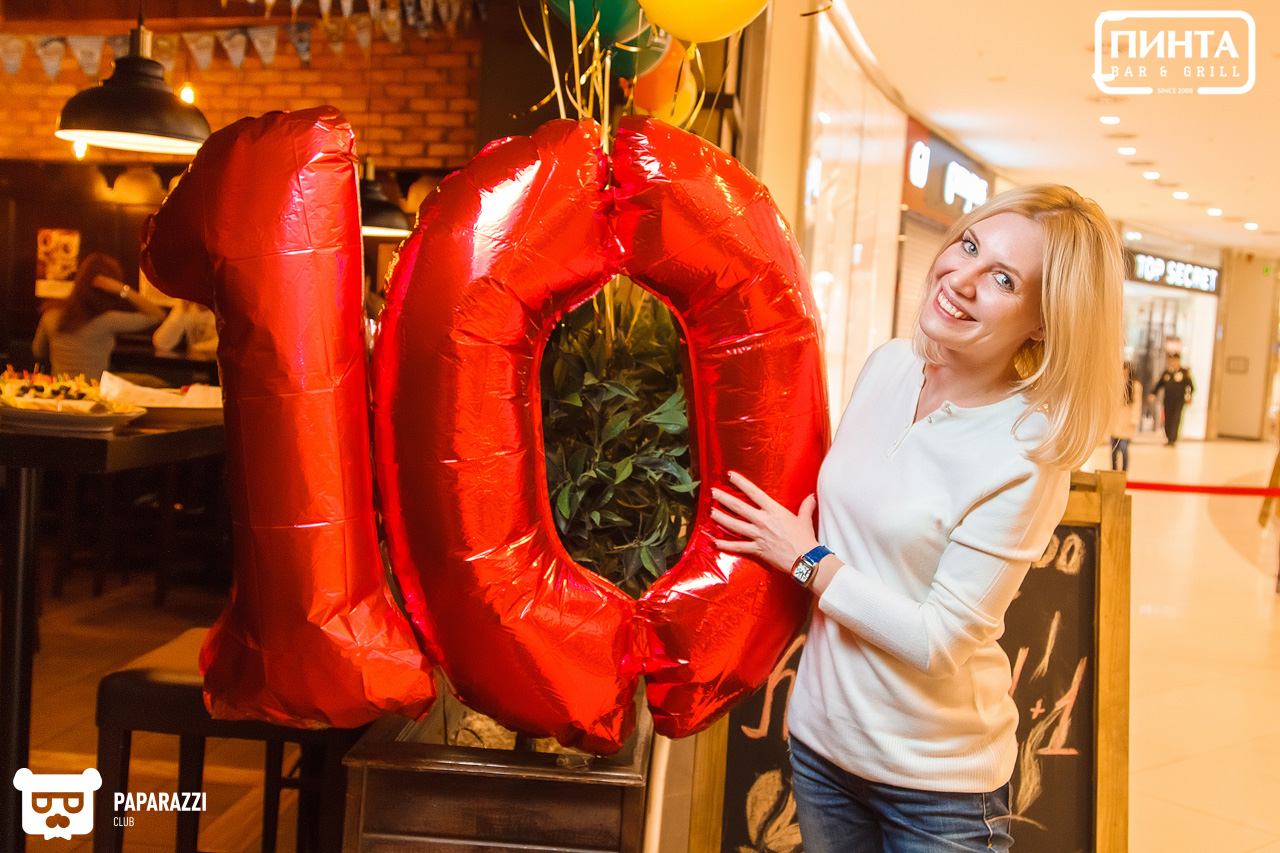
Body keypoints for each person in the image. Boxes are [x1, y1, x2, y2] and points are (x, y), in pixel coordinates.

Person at [709, 184, 1122, 853]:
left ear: (1043, 322)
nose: (961, 279)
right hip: (821, 748)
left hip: (937, 790)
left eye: (1004, 279)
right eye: (969, 245)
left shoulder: (1024, 452)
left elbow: (939, 641)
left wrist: (806, 560)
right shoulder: (888, 367)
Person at [32, 252, 165, 379]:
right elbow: (157, 315)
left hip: (59, 389)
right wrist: (122, 289)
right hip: (93, 390)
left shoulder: (51, 314)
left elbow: (38, 351)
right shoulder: (107, 320)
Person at [1149, 353, 1194, 446]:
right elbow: (1159, 384)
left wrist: (1189, 396)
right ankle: (1169, 437)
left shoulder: (1184, 372)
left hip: (1179, 401)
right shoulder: (1167, 373)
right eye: (1171, 360)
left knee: (1175, 419)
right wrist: (1153, 393)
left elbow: (1191, 386)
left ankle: (1173, 439)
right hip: (1168, 400)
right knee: (1168, 419)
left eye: (1175, 360)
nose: (1173, 362)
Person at [152, 299, 218, 355]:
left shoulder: (221, 306)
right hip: (195, 363)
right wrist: (183, 310)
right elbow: (162, 344)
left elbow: (220, 345)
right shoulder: (185, 307)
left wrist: (196, 348)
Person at [1111, 361, 1142, 471]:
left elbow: (1137, 404)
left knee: (1123, 448)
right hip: (1115, 421)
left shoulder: (1135, 386)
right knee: (1113, 449)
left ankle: (1124, 471)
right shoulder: (1115, 384)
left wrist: (1134, 418)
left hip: (1127, 420)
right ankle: (1114, 471)